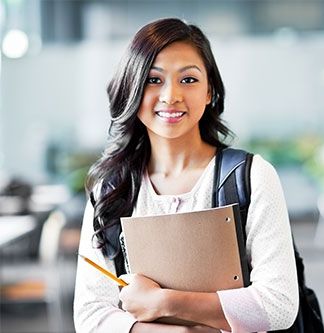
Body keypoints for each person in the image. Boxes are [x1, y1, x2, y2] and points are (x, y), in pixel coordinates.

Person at [73, 18, 298, 333]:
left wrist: (165, 302)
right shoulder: (110, 188)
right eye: (153, 79)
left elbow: (278, 306)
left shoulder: (251, 176)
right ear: (132, 89)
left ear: (209, 92)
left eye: (189, 79)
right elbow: (90, 316)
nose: (171, 96)